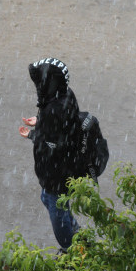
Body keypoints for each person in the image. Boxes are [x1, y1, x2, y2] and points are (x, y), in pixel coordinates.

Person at [18, 58, 82, 252]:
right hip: (64, 169)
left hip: (57, 174)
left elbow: (51, 143)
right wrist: (40, 121)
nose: (38, 86)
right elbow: (61, 128)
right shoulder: (63, 96)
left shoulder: (54, 109)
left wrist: (32, 134)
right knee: (48, 199)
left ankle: (70, 250)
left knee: (57, 209)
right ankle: (79, 237)